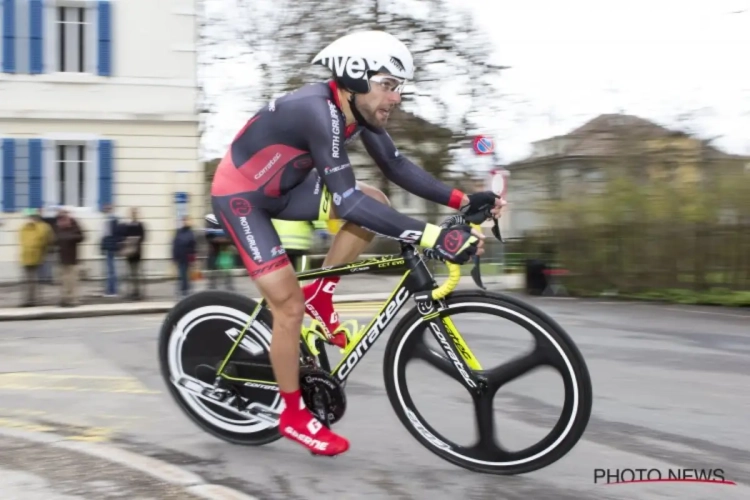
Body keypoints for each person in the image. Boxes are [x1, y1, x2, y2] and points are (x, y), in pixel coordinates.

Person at [210, 30, 504, 457]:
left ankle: (321, 295)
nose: (396, 97)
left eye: (399, 87)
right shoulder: (319, 112)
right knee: (287, 307)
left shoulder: (353, 112)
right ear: (356, 77)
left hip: (287, 187)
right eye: (389, 85)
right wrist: (435, 235)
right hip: (242, 200)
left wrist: (463, 199)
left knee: (375, 198)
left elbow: (395, 165)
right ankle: (293, 416)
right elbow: (344, 199)